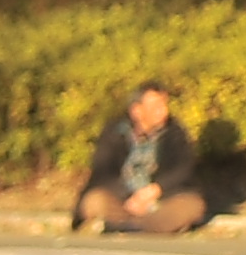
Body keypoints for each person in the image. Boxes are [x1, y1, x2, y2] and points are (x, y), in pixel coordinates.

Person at [76, 82, 208, 235]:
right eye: (156, 107)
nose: (163, 112)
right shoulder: (115, 131)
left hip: (160, 201)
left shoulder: (174, 131)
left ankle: (138, 226)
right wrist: (131, 196)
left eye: (164, 105)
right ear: (136, 110)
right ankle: (131, 224)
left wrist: (156, 190)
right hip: (124, 200)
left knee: (193, 206)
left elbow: (183, 168)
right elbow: (102, 170)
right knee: (94, 201)